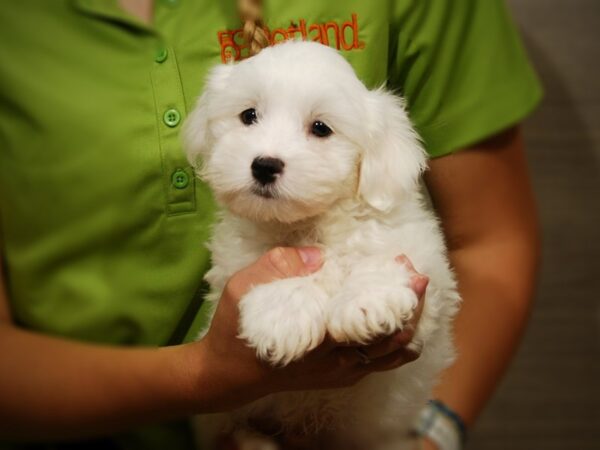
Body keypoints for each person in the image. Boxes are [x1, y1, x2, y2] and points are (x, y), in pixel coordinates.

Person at [0, 0, 541, 449]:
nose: (268, 153)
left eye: (321, 129)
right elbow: (267, 328)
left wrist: (429, 435)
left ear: (371, 155)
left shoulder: (390, 213)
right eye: (249, 117)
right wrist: (207, 376)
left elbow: (480, 251)